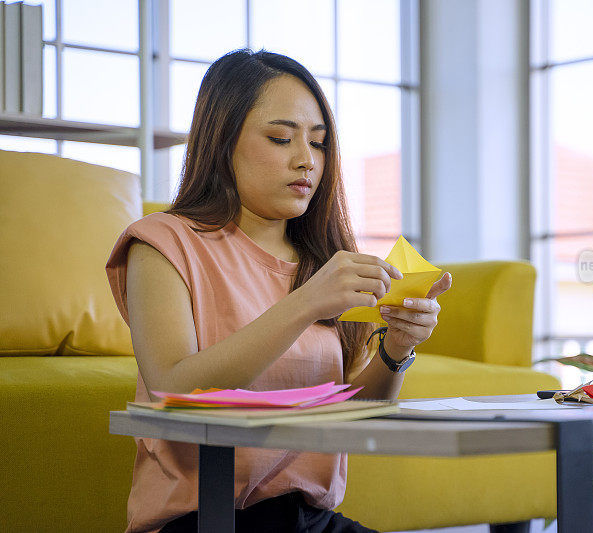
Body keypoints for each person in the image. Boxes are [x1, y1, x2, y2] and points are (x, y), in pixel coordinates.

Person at [105, 49, 452, 533]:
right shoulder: (163, 243)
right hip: (206, 520)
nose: (306, 160)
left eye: (319, 142)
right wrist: (306, 302)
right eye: (280, 137)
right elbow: (173, 392)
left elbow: (348, 416)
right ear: (221, 141)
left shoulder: (322, 256)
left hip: (310, 519)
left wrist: (397, 349)